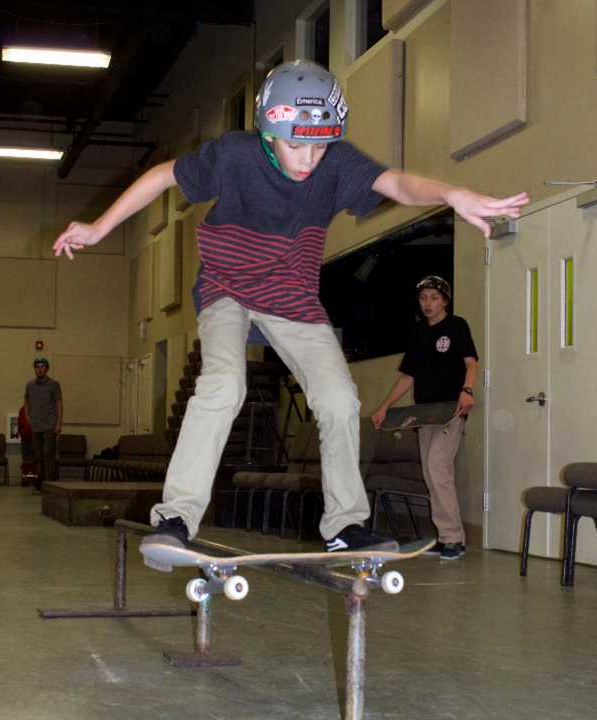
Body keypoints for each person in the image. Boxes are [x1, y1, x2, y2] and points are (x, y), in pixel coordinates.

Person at [53, 60, 527, 555]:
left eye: (318, 146)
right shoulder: (234, 154)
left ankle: (344, 525)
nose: (307, 160)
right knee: (223, 385)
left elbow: (399, 185)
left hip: (293, 297)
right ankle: (175, 517)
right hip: (226, 288)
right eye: (295, 145)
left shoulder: (338, 163)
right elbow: (161, 175)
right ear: (269, 133)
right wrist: (98, 227)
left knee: (340, 400)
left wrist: (452, 193)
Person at [371, 276, 477, 560]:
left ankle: (454, 538)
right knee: (431, 474)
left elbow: (471, 363)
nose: (428, 304)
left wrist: (467, 391)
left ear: (444, 300)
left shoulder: (457, 326)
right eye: (423, 298)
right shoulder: (419, 332)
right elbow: (409, 375)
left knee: (438, 466)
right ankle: (444, 538)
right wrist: (385, 406)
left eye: (434, 297)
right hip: (424, 413)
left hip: (450, 410)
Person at [24, 357, 63, 492]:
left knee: (48, 454)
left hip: (50, 426)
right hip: (36, 426)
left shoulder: (54, 384)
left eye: (42, 367)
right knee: (38, 456)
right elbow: (27, 402)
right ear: (34, 369)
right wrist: (28, 418)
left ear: (46, 369)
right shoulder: (30, 385)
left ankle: (50, 485)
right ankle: (39, 485)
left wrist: (58, 424)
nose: (39, 369)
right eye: (37, 367)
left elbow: (59, 403)